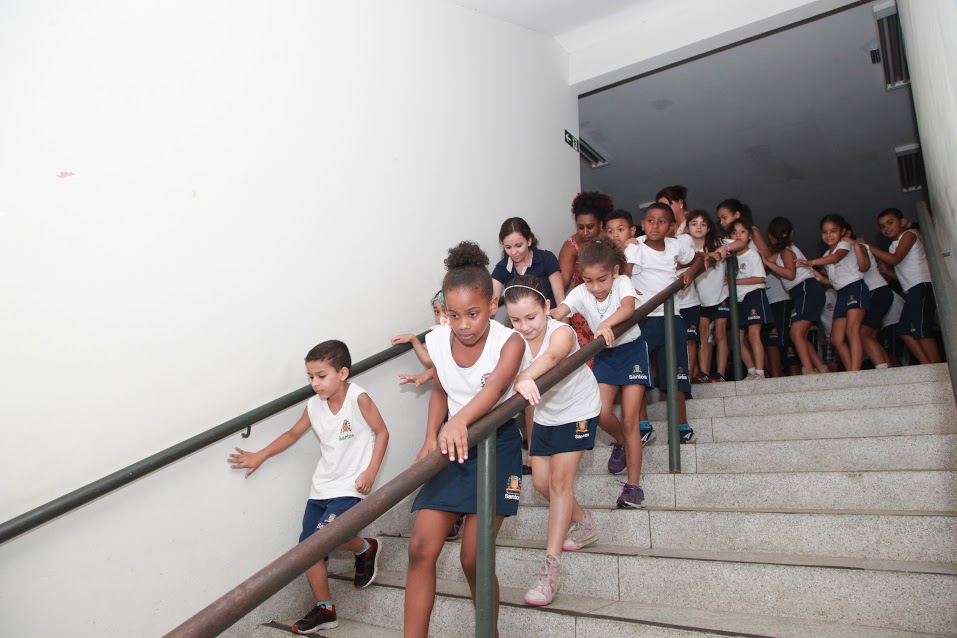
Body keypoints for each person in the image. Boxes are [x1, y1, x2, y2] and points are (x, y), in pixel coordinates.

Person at [404, 241, 526, 638]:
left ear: (492, 306)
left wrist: (458, 423)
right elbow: (440, 387)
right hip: (453, 449)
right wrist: (430, 437)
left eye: (473, 314)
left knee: (474, 557)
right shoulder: (438, 339)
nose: (463, 324)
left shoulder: (510, 342)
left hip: (497, 446)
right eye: (454, 315)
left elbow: (495, 393)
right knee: (421, 546)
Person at [227, 340, 389, 634]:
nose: (315, 384)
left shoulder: (358, 397)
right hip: (321, 488)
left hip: (350, 486)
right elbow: (291, 435)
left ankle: (366, 547)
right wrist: (259, 455)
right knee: (307, 548)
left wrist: (371, 471)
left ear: (342, 373)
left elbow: (382, 431)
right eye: (311, 377)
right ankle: (326, 609)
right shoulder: (314, 406)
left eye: (321, 376)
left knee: (324, 539)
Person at [504, 275, 602, 606]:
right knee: (543, 483)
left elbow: (553, 358)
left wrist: (523, 376)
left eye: (531, 317)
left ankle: (550, 572)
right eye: (515, 319)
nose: (525, 326)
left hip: (579, 409)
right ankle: (584, 523)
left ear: (546, 307)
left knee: (560, 482)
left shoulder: (562, 330)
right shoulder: (513, 340)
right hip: (546, 413)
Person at [551, 240, 651, 507]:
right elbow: (561, 311)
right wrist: (542, 316)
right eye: (589, 280)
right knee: (601, 413)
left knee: (630, 419)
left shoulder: (622, 283)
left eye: (602, 279)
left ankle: (633, 486)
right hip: (605, 355)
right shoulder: (580, 292)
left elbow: (628, 309)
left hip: (631, 352)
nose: (596, 287)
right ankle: (620, 442)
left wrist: (605, 324)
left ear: (615, 270)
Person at [626, 202, 703, 442]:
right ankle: (643, 425)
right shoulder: (636, 246)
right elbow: (624, 276)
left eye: (661, 221)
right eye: (650, 220)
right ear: (643, 223)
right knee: (638, 376)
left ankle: (681, 426)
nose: (655, 226)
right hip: (643, 320)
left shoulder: (675, 245)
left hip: (671, 317)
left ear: (671, 226)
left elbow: (699, 257)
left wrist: (691, 271)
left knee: (676, 375)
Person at [863, 208, 941, 364]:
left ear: (903, 222)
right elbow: (901, 274)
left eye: (890, 223)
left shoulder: (909, 234)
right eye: (882, 226)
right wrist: (887, 271)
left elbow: (895, 259)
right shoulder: (893, 246)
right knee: (904, 330)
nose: (886, 228)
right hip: (912, 289)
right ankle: (928, 365)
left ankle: (939, 367)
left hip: (922, 286)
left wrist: (868, 246)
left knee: (921, 331)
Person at [798, 214, 870, 371]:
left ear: (843, 232)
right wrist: (819, 277)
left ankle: (855, 372)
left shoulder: (844, 245)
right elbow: (834, 282)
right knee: (836, 338)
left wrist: (812, 262)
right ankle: (851, 368)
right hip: (842, 293)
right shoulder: (826, 256)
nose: (828, 235)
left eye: (833, 231)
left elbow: (837, 257)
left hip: (854, 287)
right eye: (825, 232)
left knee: (852, 330)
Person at [761, 217, 828, 375]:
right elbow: (762, 265)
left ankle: (808, 371)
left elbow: (790, 274)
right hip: (804, 292)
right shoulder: (783, 251)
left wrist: (770, 264)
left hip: (806, 289)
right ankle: (821, 368)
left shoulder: (786, 251)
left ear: (771, 236)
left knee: (795, 333)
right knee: (800, 334)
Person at [559, 192, 613, 351]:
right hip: (583, 306)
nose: (585, 232)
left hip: (609, 301)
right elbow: (563, 280)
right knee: (587, 352)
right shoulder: (571, 245)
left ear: (601, 224)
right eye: (580, 227)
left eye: (590, 227)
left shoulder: (611, 242)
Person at [686, 210, 730, 382]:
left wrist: (725, 249)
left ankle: (720, 373)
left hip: (720, 295)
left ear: (709, 227)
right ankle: (704, 373)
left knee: (720, 333)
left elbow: (740, 242)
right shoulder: (686, 247)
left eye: (703, 224)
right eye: (694, 223)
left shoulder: (717, 242)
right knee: (703, 333)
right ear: (688, 227)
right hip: (699, 298)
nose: (698, 227)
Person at [726, 219, 771, 379]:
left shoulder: (752, 254)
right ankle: (751, 370)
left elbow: (760, 278)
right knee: (736, 338)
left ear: (750, 236)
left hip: (753, 295)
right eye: (734, 232)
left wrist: (734, 281)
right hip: (737, 299)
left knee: (753, 334)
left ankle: (760, 371)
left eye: (742, 231)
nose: (738, 235)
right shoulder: (729, 257)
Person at [491, 217, 564, 307]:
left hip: (550, 319)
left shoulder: (547, 259)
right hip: (520, 320)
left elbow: (562, 304)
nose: (513, 252)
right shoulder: (502, 268)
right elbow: (491, 305)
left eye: (518, 245)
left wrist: (563, 321)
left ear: (529, 241)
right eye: (508, 247)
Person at [392, 290, 446, 388]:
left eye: (445, 311)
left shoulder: (464, 338)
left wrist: (424, 375)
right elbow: (432, 363)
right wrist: (413, 339)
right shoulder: (440, 335)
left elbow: (449, 365)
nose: (440, 317)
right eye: (437, 312)